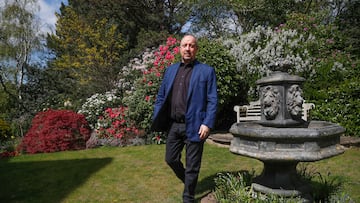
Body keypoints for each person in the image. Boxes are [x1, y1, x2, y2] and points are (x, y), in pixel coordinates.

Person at [151, 34, 218, 203]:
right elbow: (161, 96)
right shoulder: (171, 70)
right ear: (180, 48)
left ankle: (188, 198)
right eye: (185, 45)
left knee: (192, 165)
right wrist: (158, 113)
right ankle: (189, 182)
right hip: (174, 125)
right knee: (171, 159)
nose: (188, 48)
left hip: (195, 125)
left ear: (196, 49)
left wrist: (207, 123)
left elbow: (212, 100)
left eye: (191, 45)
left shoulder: (206, 71)